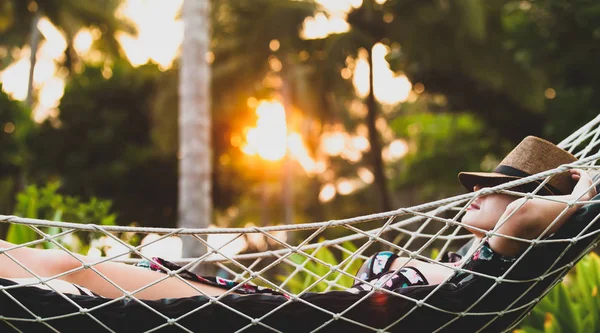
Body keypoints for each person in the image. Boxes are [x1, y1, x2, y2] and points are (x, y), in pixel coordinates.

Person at [0, 136, 596, 300]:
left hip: (265, 318)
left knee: (71, 270)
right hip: (274, 311)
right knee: (64, 267)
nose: (473, 196)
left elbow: (519, 217)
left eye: (490, 191)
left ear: (530, 204)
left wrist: (579, 192)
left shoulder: (498, 262)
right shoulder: (464, 266)